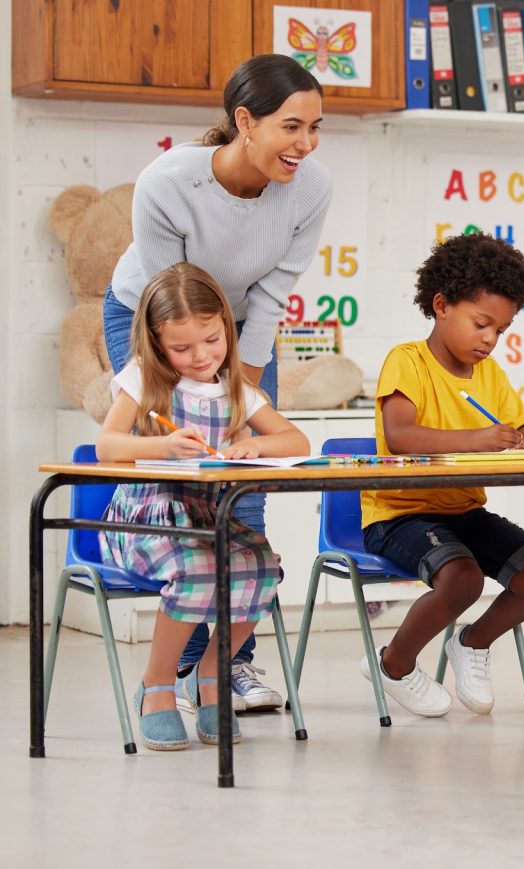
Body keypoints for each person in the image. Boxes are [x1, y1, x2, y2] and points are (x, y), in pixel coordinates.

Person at [101, 54, 333, 711]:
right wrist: (192, 381)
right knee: (175, 468)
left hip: (240, 325)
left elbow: (274, 292)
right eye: (292, 127)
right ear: (244, 122)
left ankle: (227, 666)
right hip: (154, 309)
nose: (306, 145)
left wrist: (240, 400)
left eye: (316, 127)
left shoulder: (311, 188)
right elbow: (165, 298)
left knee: (245, 485)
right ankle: (164, 664)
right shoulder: (168, 181)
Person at [96, 263, 310, 750]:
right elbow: (107, 445)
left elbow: (295, 438)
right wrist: (162, 447)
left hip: (209, 518)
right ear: (156, 343)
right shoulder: (142, 380)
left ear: (227, 332)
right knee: (197, 569)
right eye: (181, 347)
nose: (200, 357)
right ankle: (157, 685)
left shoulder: (237, 389)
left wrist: (256, 447)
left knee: (262, 567)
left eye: (212, 340)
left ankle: (211, 678)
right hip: (145, 518)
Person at [359, 233, 524, 718]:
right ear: (442, 305)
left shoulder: (491, 375)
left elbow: (520, 423)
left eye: (501, 330)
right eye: (481, 323)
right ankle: (393, 663)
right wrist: (480, 438)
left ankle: (471, 642)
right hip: (399, 513)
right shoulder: (407, 361)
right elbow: (401, 435)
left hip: (463, 509)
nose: (490, 339)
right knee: (463, 578)